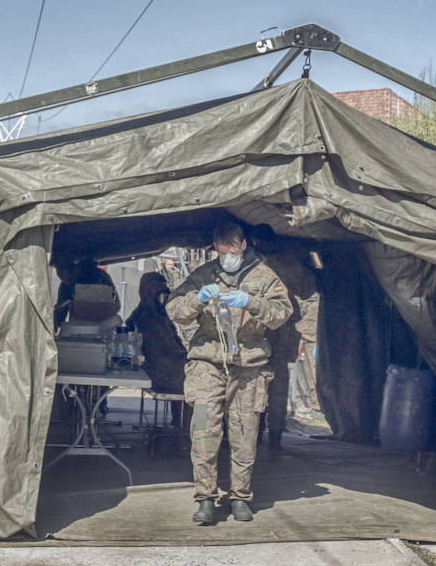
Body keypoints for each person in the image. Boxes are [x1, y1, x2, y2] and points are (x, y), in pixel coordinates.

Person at [167, 221, 291, 525]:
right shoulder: (204, 274)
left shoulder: (264, 276)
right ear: (215, 247)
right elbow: (175, 310)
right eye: (221, 251)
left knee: (245, 434)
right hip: (206, 364)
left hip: (248, 367)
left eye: (232, 249)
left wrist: (252, 302)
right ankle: (205, 498)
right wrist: (197, 299)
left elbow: (282, 314)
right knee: (203, 432)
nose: (227, 256)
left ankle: (240, 497)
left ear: (243, 244)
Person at [248, 224, 322, 452]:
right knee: (279, 383)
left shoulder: (255, 264)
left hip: (260, 331)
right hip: (286, 331)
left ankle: (255, 431)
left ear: (255, 241)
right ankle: (275, 437)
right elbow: (310, 292)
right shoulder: (292, 261)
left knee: (252, 381)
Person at [126, 272, 188, 427]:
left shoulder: (152, 313)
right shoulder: (149, 317)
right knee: (201, 386)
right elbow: (163, 354)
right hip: (162, 372)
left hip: (166, 369)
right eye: (159, 292)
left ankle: (182, 424)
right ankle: (192, 428)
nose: (164, 296)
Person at [54, 256, 119, 330]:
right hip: (80, 329)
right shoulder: (66, 285)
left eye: (68, 277)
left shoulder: (101, 277)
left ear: (75, 267)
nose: (66, 281)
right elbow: (61, 310)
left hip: (102, 327)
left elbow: (115, 304)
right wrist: (55, 323)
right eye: (63, 279)